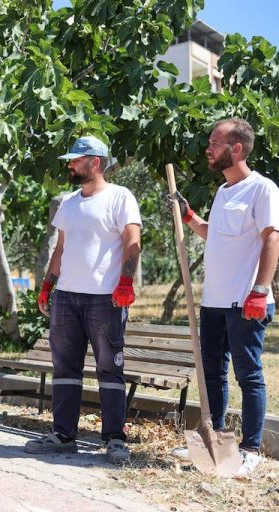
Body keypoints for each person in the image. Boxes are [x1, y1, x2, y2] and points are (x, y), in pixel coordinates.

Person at [169, 118, 279, 477]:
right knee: (212, 373)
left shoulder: (262, 189)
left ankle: (250, 449)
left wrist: (260, 290)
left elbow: (272, 239)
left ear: (236, 149)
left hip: (247, 299)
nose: (208, 148)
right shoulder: (222, 192)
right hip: (214, 301)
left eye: (215, 143)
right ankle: (212, 438)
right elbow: (213, 234)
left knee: (248, 375)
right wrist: (187, 216)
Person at [25, 135, 141, 464]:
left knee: (109, 367)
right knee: (64, 368)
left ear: (96, 163)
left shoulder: (121, 197)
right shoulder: (69, 202)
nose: (70, 164)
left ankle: (115, 438)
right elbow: (60, 249)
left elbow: (133, 243)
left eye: (76, 160)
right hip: (67, 298)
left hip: (106, 299)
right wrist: (48, 286)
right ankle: (63, 435)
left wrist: (125, 283)